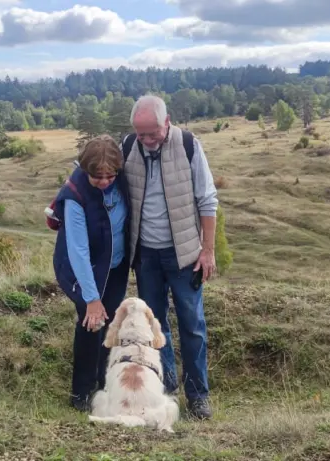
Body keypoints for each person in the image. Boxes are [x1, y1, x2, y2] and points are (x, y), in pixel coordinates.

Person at [121, 94, 218, 420]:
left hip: (185, 256)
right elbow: (96, 174)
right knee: (153, 325)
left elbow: (207, 201)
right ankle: (165, 386)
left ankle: (198, 396)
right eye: (140, 134)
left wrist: (208, 251)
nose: (146, 141)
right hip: (146, 256)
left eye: (152, 133)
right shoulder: (128, 147)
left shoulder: (189, 145)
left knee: (193, 326)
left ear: (168, 121)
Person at [52, 134, 131, 412]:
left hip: (116, 266)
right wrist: (91, 297)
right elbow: (78, 250)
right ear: (86, 170)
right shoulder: (75, 195)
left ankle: (104, 383)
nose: (105, 181)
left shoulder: (122, 180)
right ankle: (81, 393)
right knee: (91, 323)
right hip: (81, 269)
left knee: (109, 323)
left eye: (110, 175)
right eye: (98, 177)